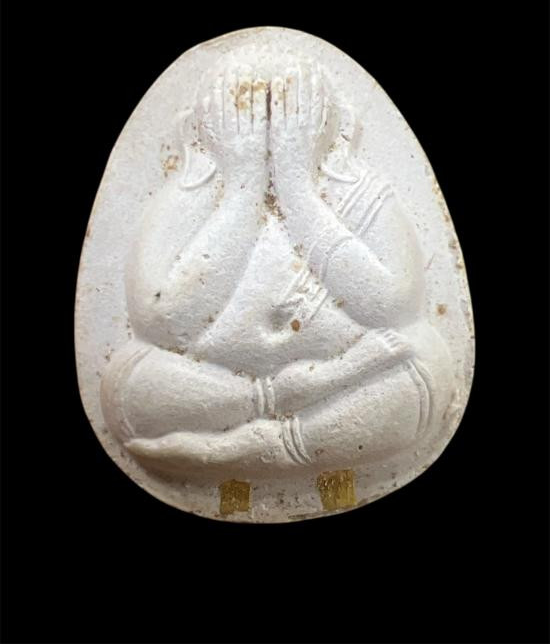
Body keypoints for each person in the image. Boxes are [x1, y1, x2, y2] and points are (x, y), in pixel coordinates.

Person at [101, 49, 453, 479]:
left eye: (293, 107)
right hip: (221, 389)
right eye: (241, 111)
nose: (268, 124)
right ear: (201, 126)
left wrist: (295, 185)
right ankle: (271, 407)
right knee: (128, 384)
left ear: (333, 121)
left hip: (346, 384)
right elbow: (161, 320)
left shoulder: (355, 190)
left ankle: (264, 448)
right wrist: (244, 186)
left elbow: (394, 304)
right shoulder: (189, 195)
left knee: (426, 361)